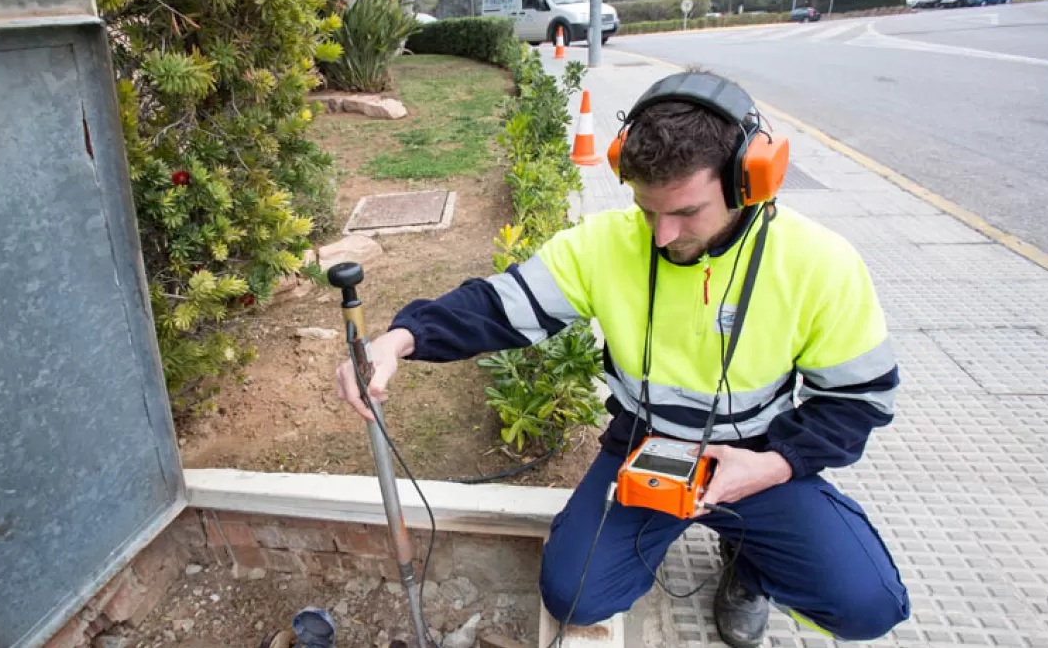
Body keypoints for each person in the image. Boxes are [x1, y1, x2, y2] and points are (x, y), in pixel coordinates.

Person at [335, 70, 910, 648]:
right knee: (576, 595)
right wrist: (399, 339)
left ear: (748, 180)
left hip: (756, 458)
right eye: (646, 208)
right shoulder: (603, 244)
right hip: (643, 449)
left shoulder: (821, 264)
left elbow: (859, 400)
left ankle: (748, 567)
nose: (662, 235)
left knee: (867, 606)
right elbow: (499, 306)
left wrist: (777, 464)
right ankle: (681, 530)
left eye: (687, 212)